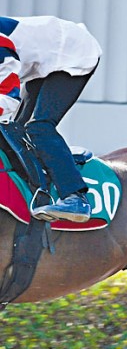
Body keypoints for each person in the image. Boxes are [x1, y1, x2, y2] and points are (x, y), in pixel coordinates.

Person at [0, 16, 102, 222]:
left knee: (39, 128)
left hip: (73, 52)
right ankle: (43, 186)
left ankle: (76, 198)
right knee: (17, 131)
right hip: (45, 59)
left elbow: (9, 95)